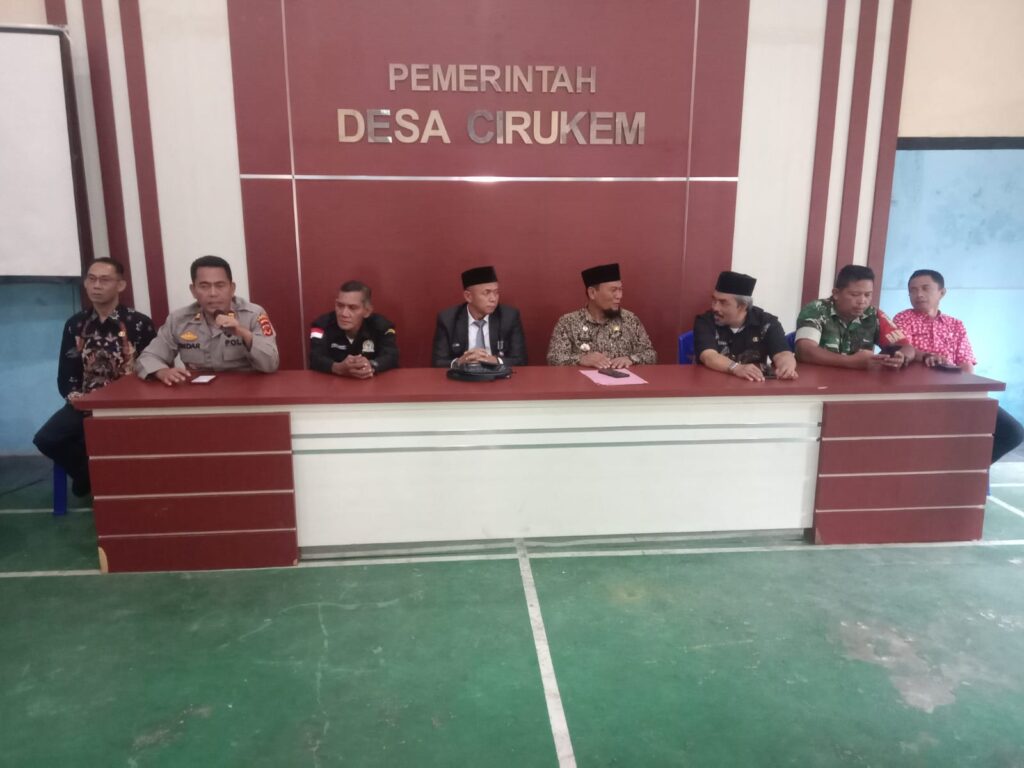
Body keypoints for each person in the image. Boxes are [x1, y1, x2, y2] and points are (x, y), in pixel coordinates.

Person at [33, 258, 156, 497]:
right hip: (85, 402)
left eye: (104, 280)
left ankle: (98, 479)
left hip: (127, 405)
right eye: (91, 279)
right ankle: (89, 475)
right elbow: (67, 370)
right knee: (46, 439)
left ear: (120, 285)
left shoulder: (139, 323)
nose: (96, 285)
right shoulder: (75, 324)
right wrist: (74, 397)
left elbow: (154, 366)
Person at [894, 268, 1023, 463]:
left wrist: (966, 392)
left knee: (1013, 432)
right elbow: (904, 349)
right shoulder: (903, 319)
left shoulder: (955, 325)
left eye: (925, 288)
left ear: (942, 292)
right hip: (920, 395)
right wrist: (927, 357)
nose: (918, 294)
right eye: (912, 290)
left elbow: (966, 363)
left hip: (957, 392)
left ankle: (969, 468)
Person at [136, 255, 279, 383]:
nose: (213, 293)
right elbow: (148, 357)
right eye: (204, 286)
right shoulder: (178, 320)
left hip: (246, 391)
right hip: (198, 395)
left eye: (220, 285)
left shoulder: (254, 314)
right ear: (193, 290)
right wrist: (162, 371)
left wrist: (243, 333)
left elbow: (271, 364)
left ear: (232, 288)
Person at [795, 264, 915, 369]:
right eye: (855, 294)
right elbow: (805, 351)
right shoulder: (816, 309)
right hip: (818, 381)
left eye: (867, 295)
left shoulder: (873, 314)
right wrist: (851, 362)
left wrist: (902, 357)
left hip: (860, 384)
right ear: (836, 294)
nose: (862, 301)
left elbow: (907, 347)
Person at [694, 270, 797, 381]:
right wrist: (736, 368)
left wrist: (787, 367)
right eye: (714, 300)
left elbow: (782, 353)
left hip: (754, 385)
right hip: (713, 384)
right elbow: (709, 356)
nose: (715, 307)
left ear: (743, 306)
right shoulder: (705, 321)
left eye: (723, 302)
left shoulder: (766, 322)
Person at [547, 262, 656, 367]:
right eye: (613, 290)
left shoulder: (630, 319)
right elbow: (553, 358)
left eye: (620, 290)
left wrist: (631, 359)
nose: (619, 296)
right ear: (592, 293)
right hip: (581, 380)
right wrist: (581, 359)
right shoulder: (568, 322)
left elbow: (651, 355)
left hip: (623, 379)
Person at [432, 265, 527, 367]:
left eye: (496, 292)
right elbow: (438, 362)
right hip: (463, 375)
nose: (493, 299)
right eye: (487, 293)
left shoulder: (509, 317)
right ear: (468, 296)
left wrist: (495, 360)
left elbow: (520, 359)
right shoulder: (448, 319)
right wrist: (459, 362)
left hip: (497, 374)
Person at [309, 281, 398, 378]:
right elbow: (315, 357)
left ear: (367, 311)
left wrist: (372, 365)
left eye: (352, 308)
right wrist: (336, 367)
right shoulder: (321, 325)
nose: (344, 314)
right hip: (332, 384)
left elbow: (392, 356)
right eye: (340, 305)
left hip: (372, 384)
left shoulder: (383, 327)